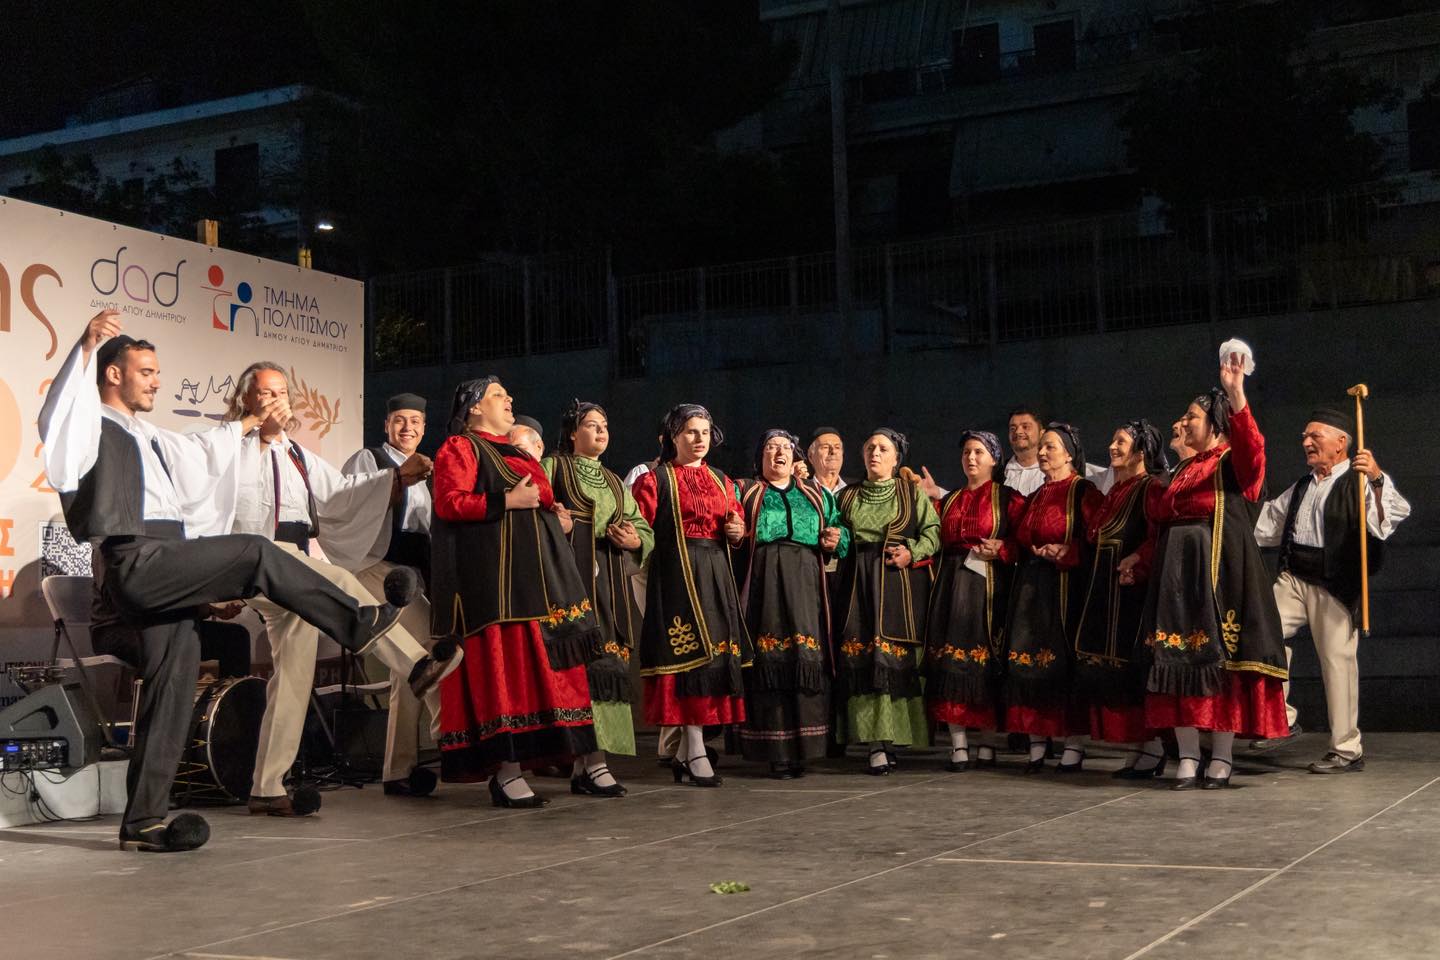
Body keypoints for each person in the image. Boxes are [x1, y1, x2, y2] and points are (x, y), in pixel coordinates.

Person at [39, 311, 418, 851]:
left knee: (174, 681)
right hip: (136, 559)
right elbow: (57, 415)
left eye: (157, 371)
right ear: (113, 375)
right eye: (146, 371)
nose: (157, 381)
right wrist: (84, 346)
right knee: (255, 550)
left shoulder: (149, 435)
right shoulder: (88, 425)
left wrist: (250, 423)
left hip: (167, 562)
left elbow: (201, 453)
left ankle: (143, 821)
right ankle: (359, 624)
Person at [226, 366, 460, 817]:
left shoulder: (296, 453)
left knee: (294, 676)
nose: (276, 400)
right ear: (246, 400)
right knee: (343, 582)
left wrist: (396, 479)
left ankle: (267, 786)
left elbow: (341, 494)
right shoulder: (231, 448)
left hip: (290, 564)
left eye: (282, 392)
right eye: (266, 393)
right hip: (256, 556)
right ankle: (415, 666)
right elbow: (217, 496)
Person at [430, 377, 601, 807]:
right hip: (498, 586)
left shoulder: (516, 452)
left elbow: (541, 498)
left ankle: (572, 763)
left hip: (539, 580)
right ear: (474, 408)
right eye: (498, 395)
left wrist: (552, 516)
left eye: (508, 394)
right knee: (504, 673)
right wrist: (505, 501)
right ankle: (506, 773)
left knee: (545, 672)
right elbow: (449, 502)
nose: (509, 400)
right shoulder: (461, 447)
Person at [1123, 352, 1288, 790]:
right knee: (1174, 662)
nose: (1184, 422)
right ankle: (1188, 754)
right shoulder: (1181, 469)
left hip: (1216, 575)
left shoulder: (1230, 462)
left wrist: (1236, 393)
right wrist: (1141, 561)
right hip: (1175, 578)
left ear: (1215, 424)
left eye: (1192, 417)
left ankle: (1222, 756)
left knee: (1219, 664)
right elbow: (1161, 526)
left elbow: (1253, 450)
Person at [1251, 408, 1410, 773]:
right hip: (1294, 577)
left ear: (1341, 442)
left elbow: (1385, 521)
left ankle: (1346, 748)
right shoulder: (1302, 486)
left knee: (1337, 663)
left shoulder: (1358, 481)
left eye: (1315, 436)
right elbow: (1267, 525)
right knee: (1261, 632)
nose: (1306, 442)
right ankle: (1280, 717)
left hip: (1335, 582)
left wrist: (1377, 479)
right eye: (1304, 437)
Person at [630, 404, 751, 788]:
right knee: (687, 661)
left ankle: (686, 752)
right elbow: (641, 529)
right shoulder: (655, 480)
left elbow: (735, 523)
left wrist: (736, 531)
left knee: (713, 658)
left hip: (715, 574)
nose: (699, 439)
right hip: (676, 576)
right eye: (690, 432)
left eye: (704, 432)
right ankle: (695, 748)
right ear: (674, 437)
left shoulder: (721, 480)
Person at [543, 400, 655, 796]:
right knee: (578, 669)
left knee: (607, 666)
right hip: (569, 580)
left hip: (608, 580)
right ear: (572, 432)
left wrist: (636, 539)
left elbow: (641, 524)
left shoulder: (613, 480)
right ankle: (589, 762)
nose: (601, 431)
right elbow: (536, 513)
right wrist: (558, 524)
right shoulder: (554, 467)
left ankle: (590, 763)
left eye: (604, 425)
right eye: (591, 425)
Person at [342, 392, 443, 798]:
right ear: (386, 425)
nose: (408, 428)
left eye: (415, 421)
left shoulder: (431, 471)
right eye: (400, 420)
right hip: (374, 567)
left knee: (409, 669)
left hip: (414, 574)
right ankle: (454, 737)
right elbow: (351, 505)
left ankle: (398, 770)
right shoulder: (369, 459)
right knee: (429, 650)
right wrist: (400, 478)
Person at [734, 429, 849, 777]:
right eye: (770, 447)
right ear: (760, 457)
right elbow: (731, 531)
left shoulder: (815, 494)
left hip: (806, 582)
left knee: (805, 658)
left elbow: (840, 530)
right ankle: (776, 750)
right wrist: (735, 534)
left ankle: (806, 746)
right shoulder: (746, 492)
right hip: (764, 582)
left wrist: (835, 539)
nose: (778, 453)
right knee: (771, 660)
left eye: (785, 447)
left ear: (795, 456)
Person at [833, 429, 940, 774]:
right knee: (863, 658)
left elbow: (933, 532)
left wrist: (912, 552)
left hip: (898, 584)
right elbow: (838, 534)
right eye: (869, 448)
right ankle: (875, 743)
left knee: (894, 658)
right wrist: (835, 538)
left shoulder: (911, 493)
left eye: (883, 448)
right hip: (857, 584)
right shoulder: (847, 496)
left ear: (896, 458)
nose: (875, 453)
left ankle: (896, 739)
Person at [922, 430, 1025, 771]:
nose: (971, 458)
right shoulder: (950, 500)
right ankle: (958, 743)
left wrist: (1003, 548)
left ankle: (987, 741)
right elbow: (932, 538)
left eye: (979, 452)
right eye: (966, 452)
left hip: (988, 586)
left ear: (994, 459)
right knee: (950, 662)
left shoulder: (1007, 499)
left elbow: (1023, 542)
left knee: (985, 661)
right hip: (951, 584)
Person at [1003, 423, 1103, 772]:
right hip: (1032, 587)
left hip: (1066, 587)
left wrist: (1067, 551)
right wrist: (1002, 548)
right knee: (1029, 661)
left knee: (1063, 665)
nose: (1043, 452)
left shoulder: (1083, 491)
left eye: (1051, 447)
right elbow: (1020, 540)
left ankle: (1073, 745)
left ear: (1069, 454)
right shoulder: (1036, 496)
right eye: (1042, 447)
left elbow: (1097, 540)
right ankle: (1036, 742)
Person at [1075, 420, 1168, 778]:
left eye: (1121, 442)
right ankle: (1140, 747)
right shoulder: (1116, 489)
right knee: (1111, 672)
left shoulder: (1150, 488)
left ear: (1141, 452)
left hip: (1132, 594)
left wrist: (1139, 562)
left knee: (1132, 671)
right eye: (1113, 440)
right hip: (1106, 589)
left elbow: (1158, 537)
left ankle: (1153, 747)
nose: (1112, 447)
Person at [806, 427, 852, 495]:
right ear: (811, 457)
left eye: (837, 447)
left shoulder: (855, 491)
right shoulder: (801, 490)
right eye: (825, 447)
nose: (833, 451)